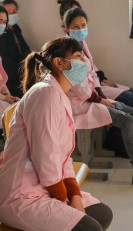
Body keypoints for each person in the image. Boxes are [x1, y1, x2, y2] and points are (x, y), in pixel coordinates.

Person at [0, 37, 113, 231]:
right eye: (78, 57)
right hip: (21, 194)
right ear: (59, 63)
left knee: (102, 214)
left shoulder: (58, 93)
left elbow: (63, 155)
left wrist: (74, 194)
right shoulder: (45, 94)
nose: (85, 62)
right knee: (89, 228)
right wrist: (62, 199)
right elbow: (45, 156)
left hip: (44, 184)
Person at [63, 7, 133, 186]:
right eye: (75, 27)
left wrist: (100, 94)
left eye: (83, 25)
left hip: (90, 98)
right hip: (79, 105)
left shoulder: (80, 45)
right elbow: (79, 88)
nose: (81, 29)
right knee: (126, 120)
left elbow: (91, 75)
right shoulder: (66, 51)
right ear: (66, 28)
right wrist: (100, 99)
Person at [57, 0, 133, 108]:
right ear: (63, 18)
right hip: (82, 93)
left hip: (93, 83)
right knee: (128, 98)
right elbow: (79, 85)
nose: (76, 16)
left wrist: (102, 79)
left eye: (78, 12)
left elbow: (90, 65)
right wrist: (100, 96)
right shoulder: (64, 45)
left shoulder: (79, 38)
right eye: (71, 13)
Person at [0, 0, 31, 97]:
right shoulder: (3, 34)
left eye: (14, 12)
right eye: (8, 12)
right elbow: (6, 63)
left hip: (22, 72)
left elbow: (24, 48)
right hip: (12, 78)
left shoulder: (15, 28)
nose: (12, 15)